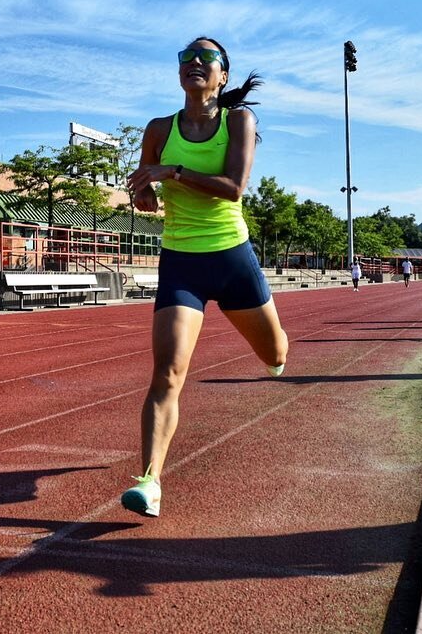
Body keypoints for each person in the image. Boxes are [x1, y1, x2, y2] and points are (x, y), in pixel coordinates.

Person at [120, 37, 288, 518]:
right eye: (186, 57)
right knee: (167, 373)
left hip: (232, 258)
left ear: (223, 76)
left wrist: (172, 171)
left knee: (274, 354)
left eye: (206, 58)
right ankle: (150, 482)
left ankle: (278, 347)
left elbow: (233, 189)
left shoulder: (238, 121)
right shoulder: (157, 128)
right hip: (181, 263)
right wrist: (145, 196)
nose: (195, 62)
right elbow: (143, 185)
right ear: (178, 74)